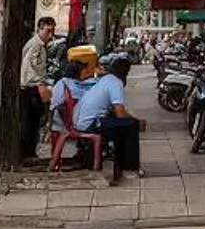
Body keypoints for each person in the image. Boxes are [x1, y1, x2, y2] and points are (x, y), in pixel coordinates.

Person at [56, 44, 140, 183]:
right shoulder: (115, 82)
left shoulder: (105, 80)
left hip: (79, 121)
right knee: (131, 125)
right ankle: (130, 168)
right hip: (89, 124)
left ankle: (120, 160)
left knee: (121, 125)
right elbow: (120, 112)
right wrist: (135, 119)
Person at [15, 15, 59, 163]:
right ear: (40, 29)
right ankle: (27, 152)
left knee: (34, 122)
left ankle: (30, 151)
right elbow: (30, 69)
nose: (50, 35)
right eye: (48, 31)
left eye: (52, 31)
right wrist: (40, 85)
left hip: (35, 86)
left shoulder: (41, 46)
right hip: (30, 88)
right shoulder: (35, 45)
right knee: (30, 122)